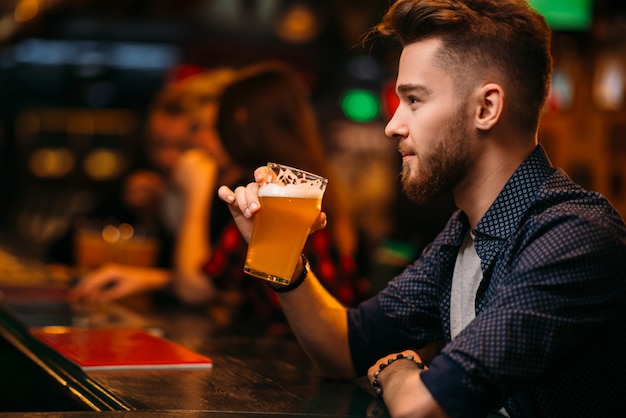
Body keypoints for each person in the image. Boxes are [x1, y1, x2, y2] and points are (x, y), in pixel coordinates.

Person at [217, 1, 626, 417]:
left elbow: (423, 406)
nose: (393, 125)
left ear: (486, 108)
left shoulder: (574, 236)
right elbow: (344, 349)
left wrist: (394, 371)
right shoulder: (464, 232)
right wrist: (283, 257)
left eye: (413, 100)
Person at [70, 67, 239, 305]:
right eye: (157, 144)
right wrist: (140, 212)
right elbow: (65, 248)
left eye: (181, 144)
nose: (167, 159)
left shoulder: (238, 189)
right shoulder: (143, 179)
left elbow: (210, 288)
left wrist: (196, 194)